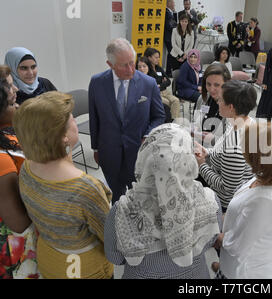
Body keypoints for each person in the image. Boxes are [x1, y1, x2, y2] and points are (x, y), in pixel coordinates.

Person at [13, 91, 113, 279]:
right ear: (64, 137)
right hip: (82, 269)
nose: (76, 121)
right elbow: (111, 240)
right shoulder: (85, 188)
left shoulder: (27, 168)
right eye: (73, 119)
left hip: (49, 258)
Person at [104, 123, 220, 279]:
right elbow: (211, 240)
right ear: (188, 159)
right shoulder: (210, 201)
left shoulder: (121, 211)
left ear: (144, 157)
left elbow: (115, 258)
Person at [215, 122, 272, 279]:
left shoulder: (264, 201)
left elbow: (237, 248)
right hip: (267, 257)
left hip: (247, 273)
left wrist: (213, 234)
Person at [89, 38, 165, 204]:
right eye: (124, 65)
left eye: (133, 62)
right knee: (117, 199)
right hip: (109, 153)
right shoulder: (97, 83)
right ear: (110, 64)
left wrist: (147, 135)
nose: (131, 69)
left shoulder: (148, 83)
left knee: (139, 199)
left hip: (138, 153)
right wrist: (95, 147)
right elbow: (94, 118)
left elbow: (159, 116)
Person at [0, 66, 39, 279]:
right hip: (19, 250)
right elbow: (19, 223)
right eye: (8, 85)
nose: (15, 88)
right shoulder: (2, 160)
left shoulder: (8, 131)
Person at [195, 80, 256, 212]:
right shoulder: (242, 121)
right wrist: (208, 151)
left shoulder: (234, 146)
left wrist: (201, 164)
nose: (217, 102)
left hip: (223, 204)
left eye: (221, 100)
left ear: (231, 107)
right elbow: (222, 150)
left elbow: (226, 188)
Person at [194, 63, 231, 139]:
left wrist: (213, 139)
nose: (211, 89)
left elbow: (232, 140)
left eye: (217, 85)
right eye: (208, 84)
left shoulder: (233, 106)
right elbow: (196, 122)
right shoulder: (202, 99)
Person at [143, 48, 180, 119]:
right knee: (167, 103)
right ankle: (167, 122)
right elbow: (153, 85)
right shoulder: (147, 70)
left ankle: (174, 122)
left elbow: (168, 81)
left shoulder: (159, 68)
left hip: (165, 92)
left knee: (176, 101)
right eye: (156, 57)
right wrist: (162, 83)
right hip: (156, 94)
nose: (158, 59)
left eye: (158, 57)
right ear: (149, 58)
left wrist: (160, 85)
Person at [164, 0, 178, 77]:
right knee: (171, 54)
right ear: (168, 3)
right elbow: (169, 25)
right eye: (173, 3)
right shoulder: (166, 12)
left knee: (171, 54)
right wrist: (177, 26)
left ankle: (170, 71)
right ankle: (168, 72)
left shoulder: (171, 12)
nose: (174, 4)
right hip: (168, 37)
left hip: (171, 36)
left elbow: (174, 22)